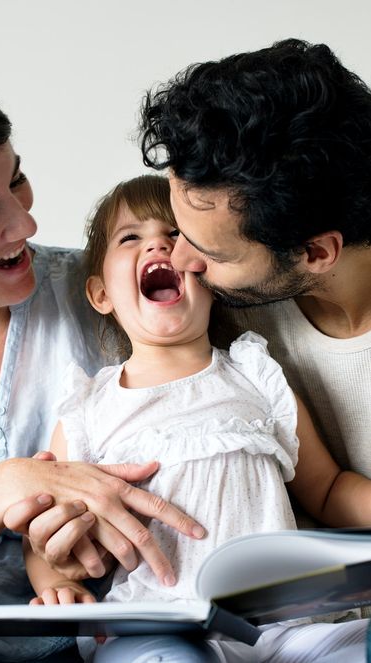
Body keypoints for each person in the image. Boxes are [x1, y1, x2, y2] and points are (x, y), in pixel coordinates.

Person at [0, 68, 206, 663]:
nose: (26, 225)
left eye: (18, 182)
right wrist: (7, 485)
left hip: (111, 632)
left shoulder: (112, 299)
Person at [24, 175, 370, 662]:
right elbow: (46, 528)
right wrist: (57, 583)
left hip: (289, 620)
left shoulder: (256, 374)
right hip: (158, 619)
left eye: (175, 234)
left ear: (207, 276)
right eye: (131, 237)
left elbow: (329, 489)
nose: (160, 245)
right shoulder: (88, 408)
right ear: (100, 293)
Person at [138, 37, 371, 495]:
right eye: (177, 229)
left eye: (213, 254)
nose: (180, 260)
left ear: (317, 253)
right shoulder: (203, 304)